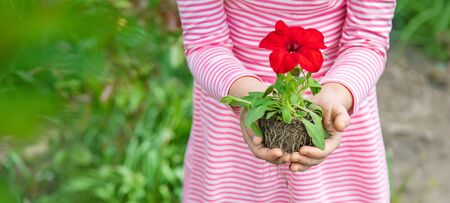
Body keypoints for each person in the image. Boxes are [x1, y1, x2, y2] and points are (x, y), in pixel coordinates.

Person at [177, 0, 396, 202]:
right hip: (237, 106)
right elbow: (204, 41)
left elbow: (367, 40)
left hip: (333, 104)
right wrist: (251, 99)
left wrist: (336, 96)